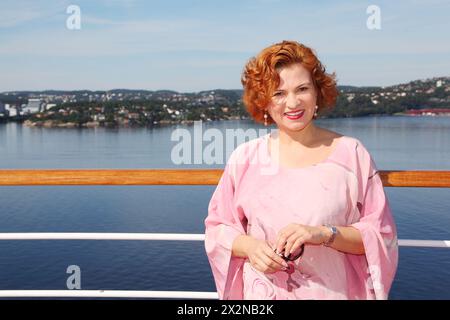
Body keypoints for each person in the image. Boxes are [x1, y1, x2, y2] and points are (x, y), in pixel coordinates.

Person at [204, 40, 398, 300]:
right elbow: (217, 229)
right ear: (264, 101)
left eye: (302, 89)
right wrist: (251, 247)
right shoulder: (245, 158)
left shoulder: (351, 155)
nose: (292, 103)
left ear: (317, 92)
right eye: (279, 93)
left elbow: (379, 236)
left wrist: (323, 233)